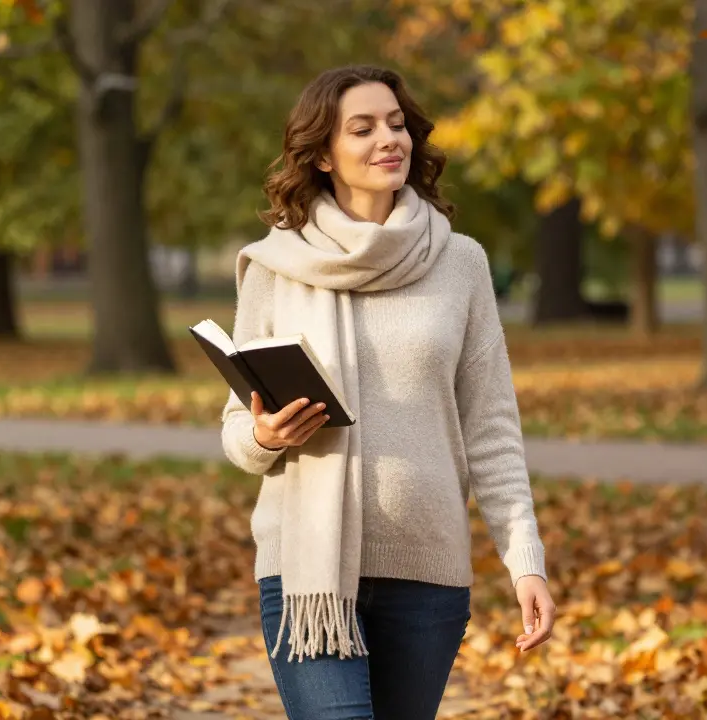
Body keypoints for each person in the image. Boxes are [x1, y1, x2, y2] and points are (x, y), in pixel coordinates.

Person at [219, 64, 554, 720]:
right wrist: (264, 436)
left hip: (426, 577)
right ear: (321, 153)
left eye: (397, 124)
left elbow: (490, 429)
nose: (388, 139)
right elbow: (236, 429)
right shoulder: (273, 268)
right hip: (306, 578)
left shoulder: (461, 263)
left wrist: (526, 563)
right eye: (363, 128)